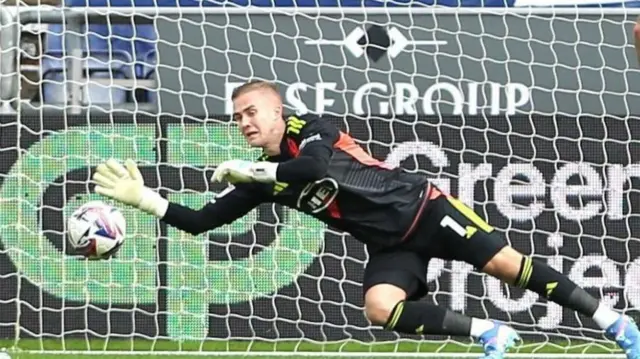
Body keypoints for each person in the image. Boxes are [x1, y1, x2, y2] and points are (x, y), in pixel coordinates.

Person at [91, 80, 640, 359]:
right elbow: (199, 221)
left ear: (278, 109)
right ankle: (489, 331)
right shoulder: (258, 171)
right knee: (380, 309)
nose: (243, 123)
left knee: (505, 264)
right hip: (388, 242)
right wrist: (145, 199)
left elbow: (312, 168)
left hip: (424, 208)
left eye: (250, 112)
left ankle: (612, 322)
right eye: (236, 118)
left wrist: (253, 174)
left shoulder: (314, 129)